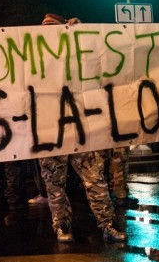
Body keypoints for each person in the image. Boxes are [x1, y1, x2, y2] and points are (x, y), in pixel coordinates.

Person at [39, 13, 126, 243]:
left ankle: (108, 224)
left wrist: (81, 33)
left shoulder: (77, 53)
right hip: (50, 130)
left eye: (54, 29)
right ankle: (62, 224)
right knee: (54, 182)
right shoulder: (34, 59)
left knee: (95, 178)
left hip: (80, 129)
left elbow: (98, 58)